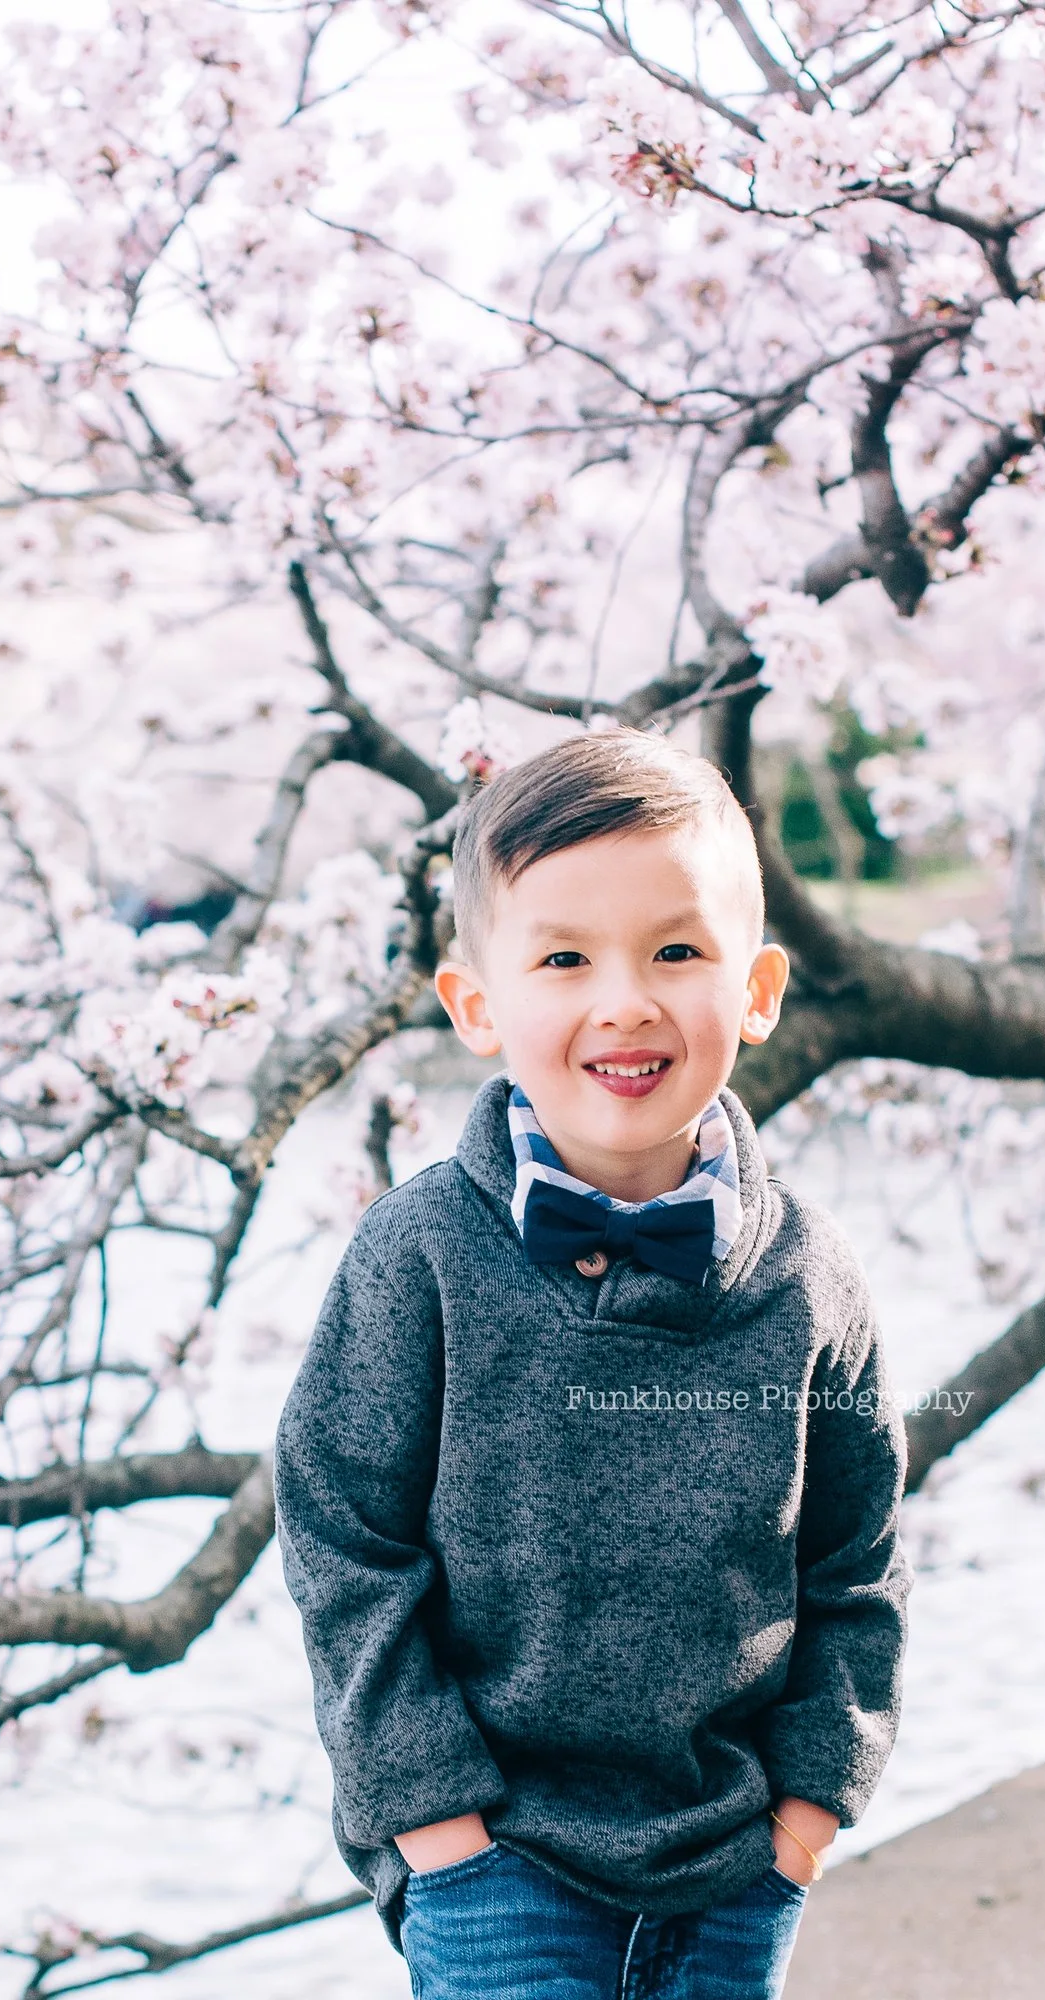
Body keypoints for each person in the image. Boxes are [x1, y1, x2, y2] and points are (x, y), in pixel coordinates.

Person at [272, 727, 912, 1998]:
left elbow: (857, 1560)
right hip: (496, 1859)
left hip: (733, 1858)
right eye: (563, 958)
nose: (624, 999)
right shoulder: (419, 1257)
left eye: (677, 951)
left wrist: (806, 1816)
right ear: (478, 1005)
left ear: (758, 989)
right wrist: (437, 1824)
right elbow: (341, 1538)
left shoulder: (811, 1277)